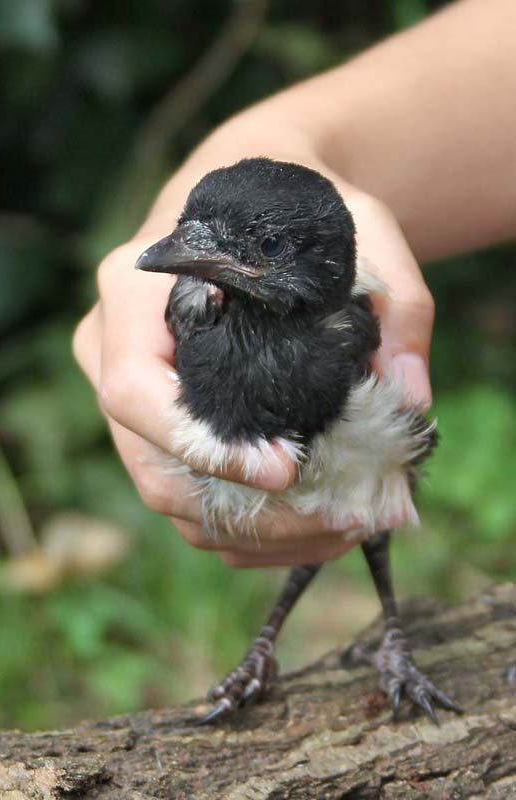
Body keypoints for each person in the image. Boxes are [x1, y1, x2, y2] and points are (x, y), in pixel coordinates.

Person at [73, 0, 516, 569]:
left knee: (365, 522)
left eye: (270, 248)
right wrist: (282, 133)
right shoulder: (195, 313)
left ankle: (392, 632)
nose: (189, 256)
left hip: (341, 418)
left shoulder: (348, 326)